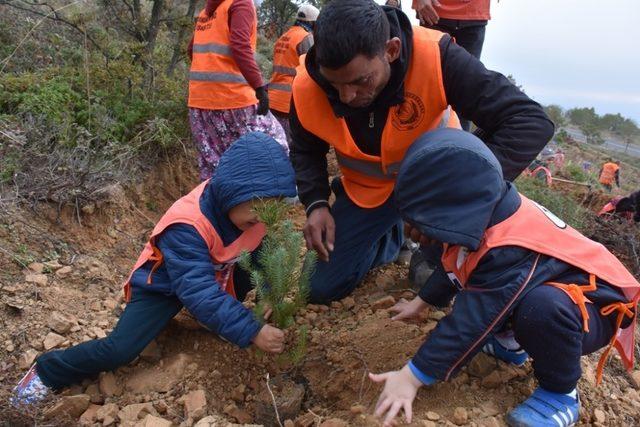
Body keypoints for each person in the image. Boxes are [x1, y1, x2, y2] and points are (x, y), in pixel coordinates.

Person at [289, 0, 554, 304]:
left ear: (391, 50)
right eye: (334, 84)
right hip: (368, 194)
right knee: (319, 289)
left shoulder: (435, 57)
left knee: (430, 279)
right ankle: (392, 236)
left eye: (360, 81)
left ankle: (418, 242)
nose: (347, 96)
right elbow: (305, 150)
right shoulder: (307, 86)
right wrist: (317, 204)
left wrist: (459, 198)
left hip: (435, 188)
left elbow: (529, 122)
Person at [369, 128, 640, 427]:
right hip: (552, 285)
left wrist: (412, 376)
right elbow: (456, 266)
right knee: (515, 294)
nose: (419, 232)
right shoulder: (484, 208)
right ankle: (511, 347)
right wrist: (421, 303)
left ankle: (562, 394)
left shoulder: (506, 246)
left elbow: (473, 319)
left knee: (540, 308)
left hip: (598, 303)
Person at [13, 133, 296, 404]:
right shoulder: (187, 225)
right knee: (119, 350)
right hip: (162, 285)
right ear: (231, 193)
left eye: (271, 206)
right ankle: (46, 372)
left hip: (217, 271)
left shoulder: (250, 217)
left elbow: (262, 256)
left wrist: (269, 295)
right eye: (257, 206)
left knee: (250, 264)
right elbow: (196, 290)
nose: (264, 216)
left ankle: (216, 318)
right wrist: (251, 329)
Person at [187, 0, 288, 180]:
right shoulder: (240, 4)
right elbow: (240, 46)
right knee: (274, 141)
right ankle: (277, 192)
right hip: (233, 100)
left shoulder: (206, 12)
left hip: (198, 103)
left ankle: (220, 204)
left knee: (215, 162)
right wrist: (259, 86)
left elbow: (191, 49)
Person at [413, 0, 490, 131]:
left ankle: (460, 148)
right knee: (423, 90)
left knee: (467, 95)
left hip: (474, 17)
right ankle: (419, 148)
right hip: (433, 14)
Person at [268, 4, 319, 143]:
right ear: (312, 22)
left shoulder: (283, 37)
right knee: (292, 145)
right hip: (290, 101)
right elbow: (313, 68)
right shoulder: (305, 38)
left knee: (278, 143)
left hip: (273, 99)